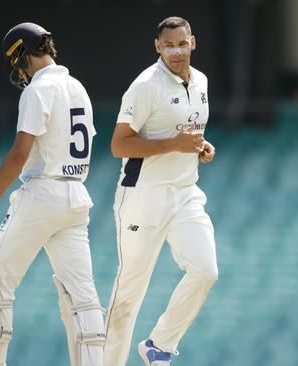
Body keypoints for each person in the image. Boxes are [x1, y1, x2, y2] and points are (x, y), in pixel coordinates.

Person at [0, 22, 104, 366]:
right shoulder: (77, 87)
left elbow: (19, 154)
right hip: (76, 197)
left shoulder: (38, 90)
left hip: (42, 194)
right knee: (83, 300)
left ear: (22, 56)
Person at [103, 16, 219, 366]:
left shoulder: (200, 81)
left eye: (182, 44)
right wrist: (174, 145)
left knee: (205, 270)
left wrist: (200, 147)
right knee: (127, 296)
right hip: (143, 198)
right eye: (168, 45)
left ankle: (160, 344)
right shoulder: (145, 85)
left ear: (193, 43)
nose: (175, 51)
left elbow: (183, 134)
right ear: (157, 46)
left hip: (185, 194)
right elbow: (119, 146)